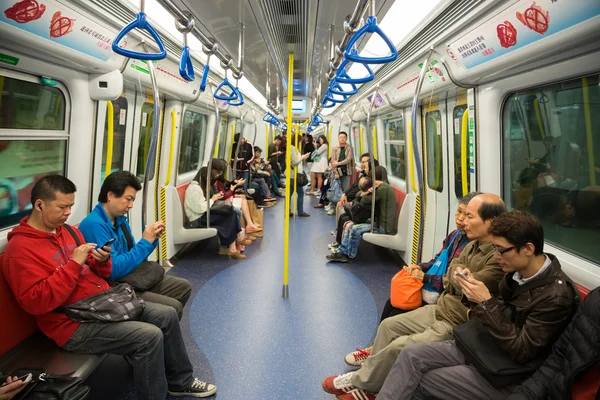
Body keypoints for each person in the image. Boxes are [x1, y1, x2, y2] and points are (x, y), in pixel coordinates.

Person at [2, 175, 216, 399]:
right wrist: (74, 264)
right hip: (71, 324)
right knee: (148, 337)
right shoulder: (20, 250)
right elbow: (36, 303)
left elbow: (99, 272)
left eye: (71, 206)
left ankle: (180, 381)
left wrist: (101, 261)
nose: (68, 213)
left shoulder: (67, 231)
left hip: (102, 304)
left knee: (167, 314)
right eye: (63, 207)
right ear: (39, 205)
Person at [377, 211, 578, 400]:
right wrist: (475, 299)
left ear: (528, 249)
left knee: (423, 379)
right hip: (483, 346)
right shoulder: (516, 272)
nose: (496, 256)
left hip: (506, 372)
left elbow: (522, 350)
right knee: (410, 354)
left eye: (501, 250)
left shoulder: (555, 296)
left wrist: (485, 303)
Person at [322, 193, 507, 400]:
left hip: (457, 322)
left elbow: (463, 282)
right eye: (462, 213)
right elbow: (452, 273)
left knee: (400, 346)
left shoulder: (498, 257)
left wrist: (454, 276)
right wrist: (454, 276)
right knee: (388, 326)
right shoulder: (471, 244)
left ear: (491, 221)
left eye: (470, 217)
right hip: (440, 309)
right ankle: (371, 381)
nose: (463, 221)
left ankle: (361, 383)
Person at [79, 171, 192, 319]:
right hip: (115, 286)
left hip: (130, 277)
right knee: (172, 307)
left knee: (183, 287)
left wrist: (151, 240)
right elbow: (114, 270)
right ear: (111, 195)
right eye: (128, 199)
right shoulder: (95, 225)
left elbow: (132, 254)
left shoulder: (120, 220)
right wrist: (145, 242)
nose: (131, 205)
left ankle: (160, 328)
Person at [507, 287, 599, 400]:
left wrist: (487, 305)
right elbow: (557, 362)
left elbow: (523, 349)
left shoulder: (557, 295)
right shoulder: (595, 301)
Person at [327, 167, 396, 263]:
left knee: (355, 229)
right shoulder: (379, 187)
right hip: (377, 221)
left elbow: (364, 200)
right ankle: (342, 252)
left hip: (383, 226)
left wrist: (365, 193)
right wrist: (366, 192)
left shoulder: (383, 189)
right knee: (350, 225)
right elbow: (358, 195)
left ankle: (350, 255)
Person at [185, 167, 246, 260]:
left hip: (202, 215)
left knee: (231, 212)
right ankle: (235, 244)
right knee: (229, 215)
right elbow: (199, 209)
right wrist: (212, 199)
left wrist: (214, 198)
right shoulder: (194, 189)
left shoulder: (199, 187)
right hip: (197, 219)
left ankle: (233, 246)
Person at [288, 131, 311, 217]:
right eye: (300, 141)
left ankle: (288, 210)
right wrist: (303, 157)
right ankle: (300, 211)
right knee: (300, 193)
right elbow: (294, 162)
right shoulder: (293, 148)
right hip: (294, 175)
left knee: (290, 194)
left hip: (293, 174)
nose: (301, 142)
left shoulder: (293, 148)